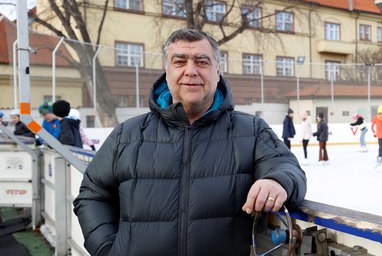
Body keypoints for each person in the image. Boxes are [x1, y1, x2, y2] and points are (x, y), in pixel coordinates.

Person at [73, 29, 306, 255]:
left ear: (218, 71)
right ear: (167, 71)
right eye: (180, 61)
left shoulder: (252, 130)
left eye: (202, 62)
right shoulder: (128, 134)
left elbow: (287, 168)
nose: (191, 71)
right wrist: (106, 250)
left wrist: (277, 181)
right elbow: (92, 194)